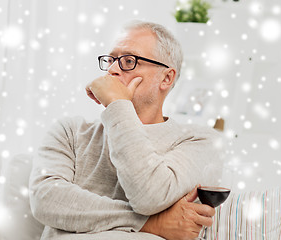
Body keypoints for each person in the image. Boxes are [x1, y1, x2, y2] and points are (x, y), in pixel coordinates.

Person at [29, 20, 223, 240]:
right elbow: (45, 200)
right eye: (110, 60)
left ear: (166, 78)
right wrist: (150, 223)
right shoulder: (69, 131)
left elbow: (149, 196)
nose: (112, 70)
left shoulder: (198, 141)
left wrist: (118, 106)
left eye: (129, 61)